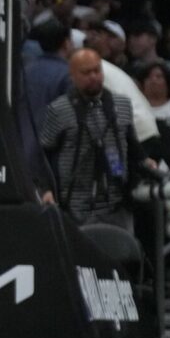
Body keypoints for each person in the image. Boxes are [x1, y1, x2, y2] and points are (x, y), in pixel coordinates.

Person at [40, 48, 143, 230]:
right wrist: (46, 188)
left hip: (117, 201)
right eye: (86, 72)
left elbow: (132, 144)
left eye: (97, 70)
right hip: (75, 203)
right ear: (72, 75)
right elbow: (42, 153)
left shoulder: (122, 104)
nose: (93, 76)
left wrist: (146, 163)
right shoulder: (59, 109)